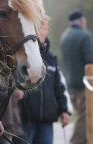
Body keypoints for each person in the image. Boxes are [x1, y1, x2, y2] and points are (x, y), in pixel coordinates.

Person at [14, 21, 71, 144]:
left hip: (47, 119)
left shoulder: (51, 57)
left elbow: (59, 86)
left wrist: (64, 109)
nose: (40, 31)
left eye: (43, 28)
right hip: (26, 118)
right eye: (37, 28)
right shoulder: (22, 56)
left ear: (47, 30)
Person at [60, 9, 93, 144]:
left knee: (81, 114)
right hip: (84, 84)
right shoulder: (84, 35)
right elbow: (90, 59)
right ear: (81, 21)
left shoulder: (65, 36)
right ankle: (75, 141)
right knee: (84, 116)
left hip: (70, 84)